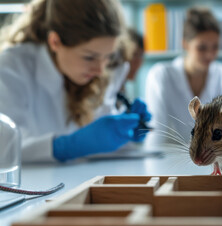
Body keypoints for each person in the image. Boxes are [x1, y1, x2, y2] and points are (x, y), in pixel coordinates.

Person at [0, 0, 151, 163]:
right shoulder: (12, 66)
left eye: (108, 56)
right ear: (55, 42)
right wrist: (65, 147)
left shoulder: (108, 69)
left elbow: (100, 137)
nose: (100, 70)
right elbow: (5, 147)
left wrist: (126, 132)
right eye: (89, 57)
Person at [144, 7, 222, 149]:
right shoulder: (161, 75)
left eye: (215, 47)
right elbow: (156, 131)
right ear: (185, 44)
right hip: (175, 159)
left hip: (216, 158)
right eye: (202, 48)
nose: (210, 55)